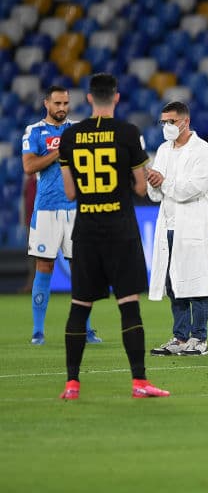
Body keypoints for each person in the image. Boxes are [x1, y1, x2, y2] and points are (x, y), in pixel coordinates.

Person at [56, 72, 169, 399]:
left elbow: (69, 193)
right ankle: (139, 382)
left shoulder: (70, 136)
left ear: (89, 98)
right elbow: (140, 188)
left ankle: (72, 384)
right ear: (116, 97)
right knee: (128, 306)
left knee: (79, 307)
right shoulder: (128, 133)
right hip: (120, 230)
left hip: (87, 231)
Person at [21, 85, 101, 345]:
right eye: (57, 103)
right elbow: (29, 166)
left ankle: (86, 329)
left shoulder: (78, 130)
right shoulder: (34, 131)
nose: (62, 108)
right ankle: (38, 331)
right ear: (46, 103)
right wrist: (59, 152)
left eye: (65, 103)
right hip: (46, 209)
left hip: (76, 209)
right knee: (44, 266)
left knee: (81, 269)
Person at [146, 101, 208, 357]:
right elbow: (155, 195)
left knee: (196, 283)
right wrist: (154, 183)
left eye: (171, 121)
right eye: (163, 121)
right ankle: (180, 337)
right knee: (173, 284)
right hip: (168, 225)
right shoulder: (163, 150)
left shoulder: (203, 151)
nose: (166, 126)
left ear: (185, 122)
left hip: (193, 227)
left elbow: (192, 189)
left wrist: (163, 182)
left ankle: (199, 338)